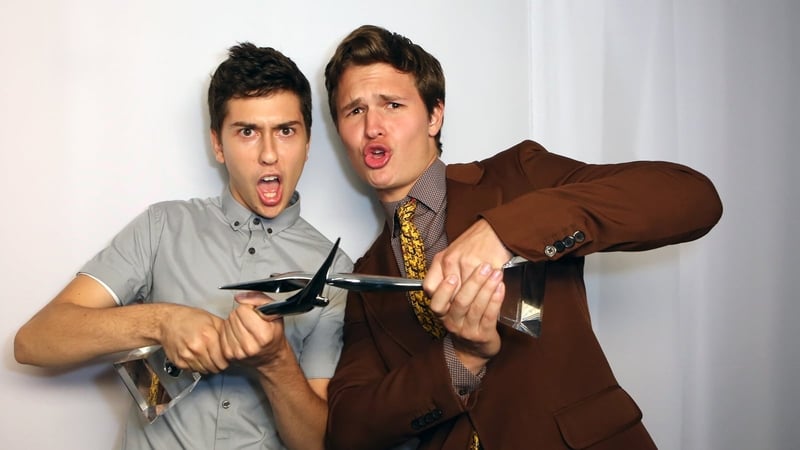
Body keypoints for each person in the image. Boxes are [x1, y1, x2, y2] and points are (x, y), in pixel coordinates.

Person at [322, 24, 722, 450]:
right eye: (354, 111)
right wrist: (463, 359)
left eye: (393, 104)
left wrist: (503, 232)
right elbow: (349, 430)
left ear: (434, 115)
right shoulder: (364, 277)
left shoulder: (518, 176)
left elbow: (693, 196)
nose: (373, 127)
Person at [14, 43, 352, 450]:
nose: (269, 154)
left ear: (308, 141)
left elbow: (318, 444)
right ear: (217, 144)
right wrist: (162, 321)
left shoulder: (333, 273)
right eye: (247, 132)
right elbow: (34, 341)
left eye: (285, 131)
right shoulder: (162, 227)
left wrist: (275, 361)